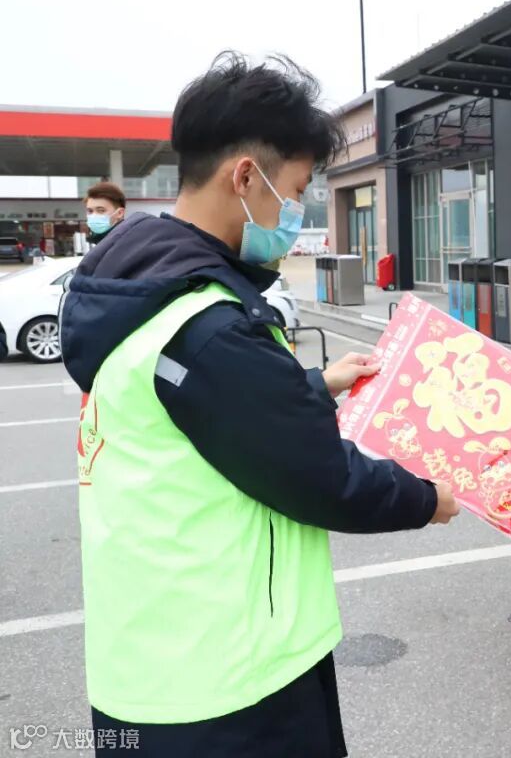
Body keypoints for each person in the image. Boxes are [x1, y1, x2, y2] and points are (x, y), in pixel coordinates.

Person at [61, 52, 459, 758]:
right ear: (245, 177)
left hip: (152, 660)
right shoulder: (207, 324)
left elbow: (209, 417)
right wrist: (430, 497)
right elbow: (319, 476)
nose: (294, 215)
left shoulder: (141, 291)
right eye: (296, 191)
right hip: (229, 683)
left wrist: (313, 387)